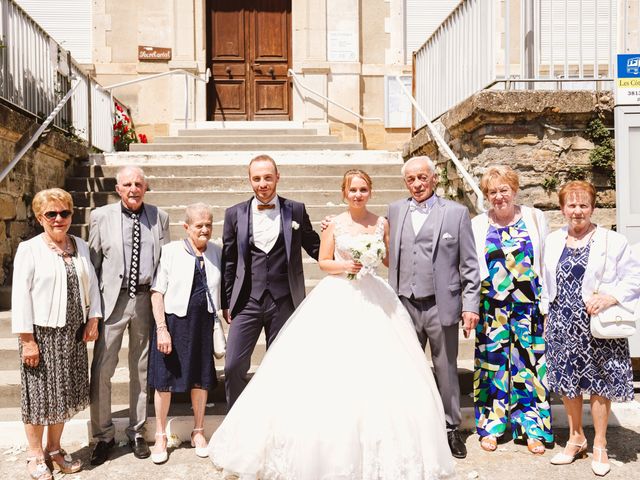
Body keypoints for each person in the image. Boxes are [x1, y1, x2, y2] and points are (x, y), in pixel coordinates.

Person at [208, 169, 455, 479]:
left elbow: (392, 259)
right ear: (344, 192)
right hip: (338, 295)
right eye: (352, 189)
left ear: (370, 191)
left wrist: (380, 258)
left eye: (363, 189)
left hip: (375, 297)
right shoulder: (334, 224)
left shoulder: (382, 223)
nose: (357, 194)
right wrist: (345, 265)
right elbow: (324, 261)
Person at [543, 180, 640, 476]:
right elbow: (545, 280)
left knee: (599, 384)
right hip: (562, 321)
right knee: (568, 383)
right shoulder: (553, 240)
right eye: (571, 205)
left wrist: (609, 297)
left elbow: (633, 278)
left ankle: (599, 443)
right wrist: (547, 313)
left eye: (583, 205)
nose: (577, 211)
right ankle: (575, 438)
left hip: (596, 324)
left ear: (593, 207)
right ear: (562, 208)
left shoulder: (612, 241)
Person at [387, 155, 480, 459]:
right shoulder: (396, 210)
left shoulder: (455, 213)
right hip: (404, 302)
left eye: (422, 178)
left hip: (442, 304)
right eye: (411, 179)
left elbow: (468, 264)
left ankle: (451, 427)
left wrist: (470, 306)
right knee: (406, 368)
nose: (417, 184)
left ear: (434, 178)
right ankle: (411, 427)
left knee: (446, 368)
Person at [12, 188, 101, 479]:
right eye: (51, 214)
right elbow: (20, 297)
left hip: (73, 335)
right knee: (38, 397)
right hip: (42, 335)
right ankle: (35, 454)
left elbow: (93, 286)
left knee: (65, 395)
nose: (59, 218)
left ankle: (54, 449)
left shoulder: (81, 246)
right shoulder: (30, 249)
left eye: (65, 212)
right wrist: (27, 341)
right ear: (40, 218)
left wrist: (94, 318)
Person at [221, 154, 320, 409]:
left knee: (281, 367)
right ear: (249, 180)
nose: (262, 183)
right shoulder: (235, 214)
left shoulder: (295, 209)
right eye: (256, 178)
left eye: (267, 177)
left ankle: (278, 423)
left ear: (277, 177)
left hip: (284, 300)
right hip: (247, 301)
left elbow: (314, 246)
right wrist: (227, 301)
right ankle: (238, 421)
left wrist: (338, 237)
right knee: (233, 366)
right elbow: (229, 260)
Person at [88, 166, 170, 465]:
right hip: (113, 300)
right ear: (117, 187)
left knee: (142, 367)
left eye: (138, 183)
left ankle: (137, 431)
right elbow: (93, 265)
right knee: (102, 369)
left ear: (145, 187)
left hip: (146, 299)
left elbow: (163, 264)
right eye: (127, 184)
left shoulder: (159, 217)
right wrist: (93, 311)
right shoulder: (100, 217)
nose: (133, 188)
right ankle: (103, 436)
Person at [470, 165, 552, 454]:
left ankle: (531, 429)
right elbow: (471, 268)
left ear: (515, 190)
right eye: (492, 192)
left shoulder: (534, 217)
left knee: (529, 367)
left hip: (529, 307)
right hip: (492, 309)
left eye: (504, 190)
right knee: (492, 368)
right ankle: (491, 428)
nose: (499, 196)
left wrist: (547, 301)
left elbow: (546, 262)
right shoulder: (478, 225)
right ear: (486, 196)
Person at [147, 203, 222, 464]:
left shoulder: (216, 252)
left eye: (209, 224)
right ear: (186, 227)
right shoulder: (170, 251)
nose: (204, 229)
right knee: (163, 380)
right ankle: (160, 436)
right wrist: (161, 329)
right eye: (199, 225)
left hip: (203, 323)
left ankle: (198, 431)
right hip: (174, 323)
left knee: (200, 379)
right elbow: (157, 292)